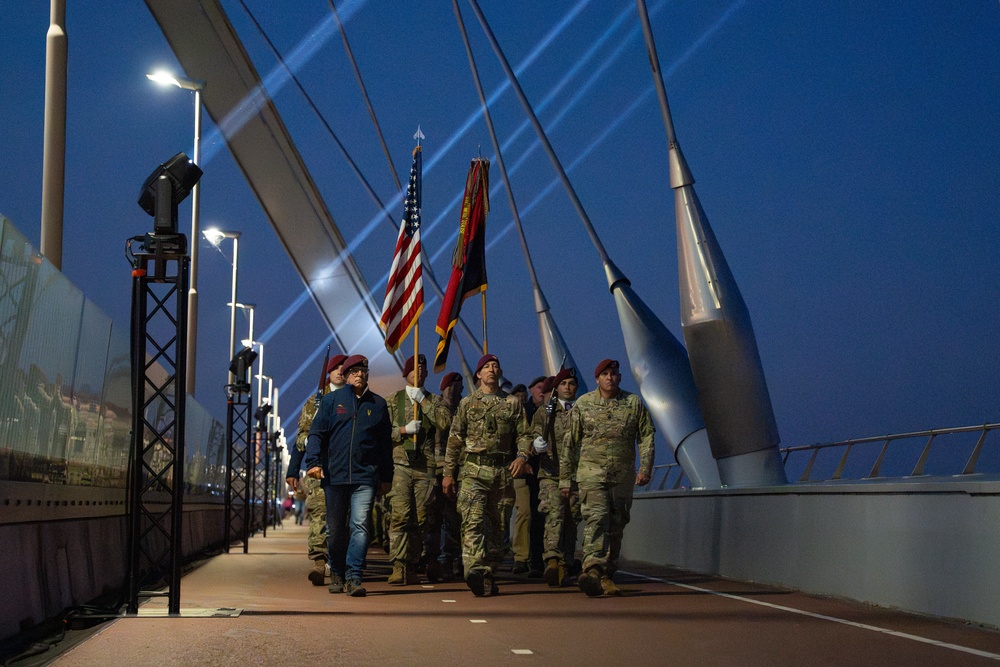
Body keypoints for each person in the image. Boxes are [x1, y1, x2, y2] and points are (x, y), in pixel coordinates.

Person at [561, 359, 654, 597]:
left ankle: (607, 574)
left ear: (620, 377)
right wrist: (565, 479)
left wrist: (645, 467)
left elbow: (645, 436)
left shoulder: (633, 403)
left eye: (613, 373)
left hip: (622, 476)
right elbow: (569, 443)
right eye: (605, 374)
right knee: (596, 519)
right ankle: (592, 571)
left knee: (616, 525)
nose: (610, 377)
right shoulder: (583, 404)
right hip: (591, 474)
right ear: (597, 379)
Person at [442, 355, 533, 597]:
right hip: (473, 472)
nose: (491, 370)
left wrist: (522, 456)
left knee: (498, 529)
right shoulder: (468, 404)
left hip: (502, 473)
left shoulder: (513, 403)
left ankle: (487, 572)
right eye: (486, 367)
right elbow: (454, 440)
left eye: (495, 366)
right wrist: (448, 474)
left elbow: (525, 435)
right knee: (473, 522)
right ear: (479, 375)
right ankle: (474, 569)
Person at [303, 355, 393, 597]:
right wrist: (312, 462)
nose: (359, 375)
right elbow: (316, 434)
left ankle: (354, 576)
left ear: (367, 374)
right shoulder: (332, 401)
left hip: (365, 477)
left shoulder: (378, 404)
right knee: (334, 529)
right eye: (353, 371)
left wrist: (386, 476)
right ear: (345, 375)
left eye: (363, 370)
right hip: (335, 476)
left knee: (360, 526)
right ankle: (337, 573)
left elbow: (385, 444)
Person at [385, 354, 452, 585]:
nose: (420, 372)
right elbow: (383, 433)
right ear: (406, 373)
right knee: (401, 516)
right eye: (415, 369)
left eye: (423, 369)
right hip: (401, 466)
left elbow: (445, 423)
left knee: (423, 519)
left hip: (426, 467)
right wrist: (403, 430)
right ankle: (399, 565)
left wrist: (422, 401)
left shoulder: (434, 400)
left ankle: (419, 562)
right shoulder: (393, 401)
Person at [292, 353, 347, 586]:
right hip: (318, 467)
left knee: (343, 520)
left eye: (345, 368)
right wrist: (295, 467)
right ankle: (318, 561)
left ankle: (340, 563)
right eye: (336, 368)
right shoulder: (315, 402)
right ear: (329, 372)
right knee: (319, 515)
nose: (341, 371)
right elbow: (301, 434)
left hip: (344, 466)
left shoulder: (352, 398)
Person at [529, 367, 582, 587]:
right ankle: (551, 559)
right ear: (556, 388)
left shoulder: (582, 410)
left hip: (576, 474)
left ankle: (566, 563)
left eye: (571, 384)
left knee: (571, 518)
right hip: (551, 472)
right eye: (563, 384)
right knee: (554, 514)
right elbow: (532, 435)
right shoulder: (544, 412)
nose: (567, 388)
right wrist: (535, 444)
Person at [427, 371, 464, 581]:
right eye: (451, 386)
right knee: (433, 519)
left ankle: (451, 561)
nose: (455, 390)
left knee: (453, 520)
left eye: (458, 387)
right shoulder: (436, 407)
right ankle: (432, 559)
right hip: (436, 468)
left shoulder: (465, 408)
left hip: (457, 470)